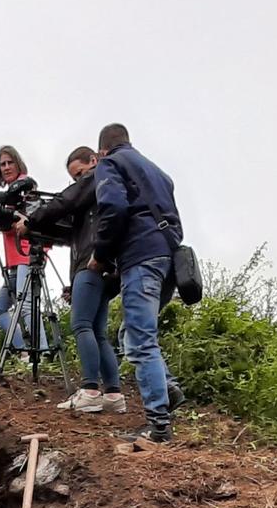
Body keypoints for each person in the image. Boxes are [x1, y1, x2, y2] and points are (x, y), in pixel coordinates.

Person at [91, 123, 183, 443]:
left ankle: (158, 426)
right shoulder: (157, 171)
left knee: (141, 340)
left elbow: (113, 207)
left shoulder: (109, 164)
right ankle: (168, 389)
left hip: (141, 258)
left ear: (102, 149)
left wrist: (101, 254)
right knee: (131, 333)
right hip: (169, 258)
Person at [23, 146, 124, 416]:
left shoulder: (97, 176)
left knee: (81, 325)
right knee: (98, 331)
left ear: (93, 161)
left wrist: (31, 221)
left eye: (79, 174)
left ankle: (90, 390)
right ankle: (113, 394)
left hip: (89, 264)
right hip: (105, 268)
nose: (77, 182)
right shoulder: (104, 190)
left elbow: (64, 202)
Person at [0, 145, 50, 355]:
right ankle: (23, 350)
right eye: (2, 164)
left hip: (27, 254)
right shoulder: (6, 196)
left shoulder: (26, 188)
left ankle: (42, 351)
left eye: (10, 162)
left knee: (27, 304)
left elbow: (29, 221)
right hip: (13, 260)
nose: (6, 167)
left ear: (18, 163)